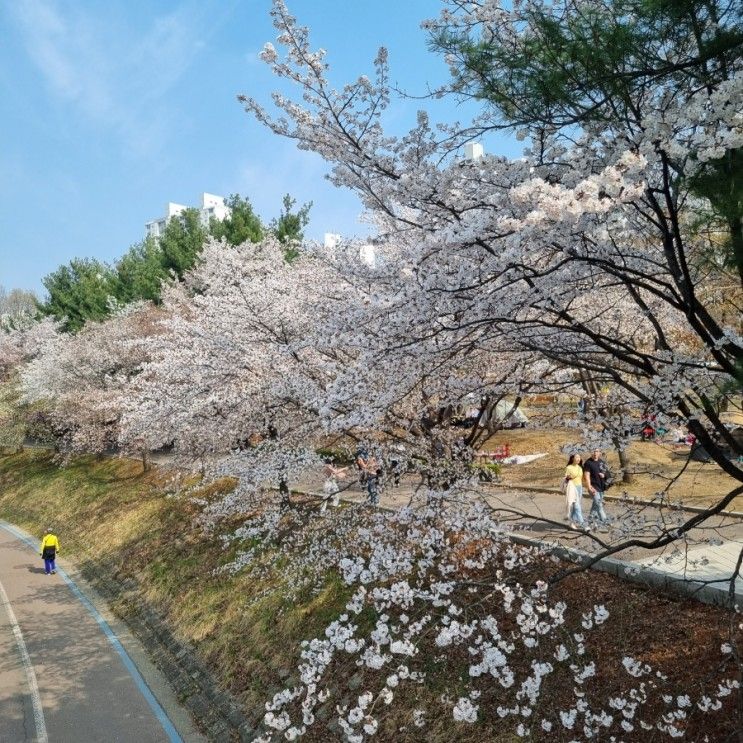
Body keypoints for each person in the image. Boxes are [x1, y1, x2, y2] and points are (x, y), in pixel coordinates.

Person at [583, 448, 610, 527]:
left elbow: (607, 472)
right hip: (593, 487)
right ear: (591, 452)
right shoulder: (588, 463)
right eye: (593, 451)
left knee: (595, 506)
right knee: (599, 505)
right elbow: (587, 476)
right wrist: (589, 487)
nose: (595, 453)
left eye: (597, 451)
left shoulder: (601, 462)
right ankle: (606, 522)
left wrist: (604, 475)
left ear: (600, 453)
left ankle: (589, 521)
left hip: (601, 487)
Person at [564, 454, 588, 531]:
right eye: (576, 457)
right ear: (572, 458)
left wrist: (588, 486)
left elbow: (582, 479)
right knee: (577, 506)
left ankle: (572, 523)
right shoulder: (569, 467)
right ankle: (584, 525)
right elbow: (566, 478)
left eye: (579, 457)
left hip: (579, 488)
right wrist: (568, 477)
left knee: (576, 507)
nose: (578, 459)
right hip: (572, 488)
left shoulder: (580, 468)